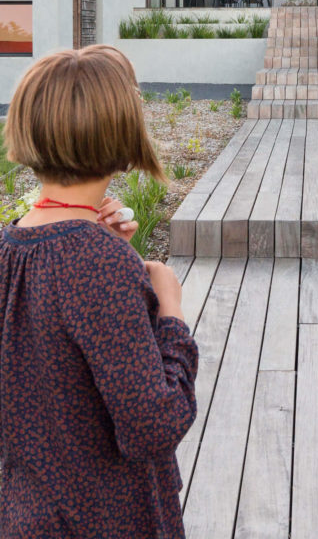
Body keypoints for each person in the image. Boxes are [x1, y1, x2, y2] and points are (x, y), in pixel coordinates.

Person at [0, 45, 198, 539]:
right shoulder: (96, 263)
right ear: (123, 132)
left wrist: (115, 253)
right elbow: (152, 426)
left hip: (26, 512)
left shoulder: (11, 246)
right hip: (106, 518)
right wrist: (170, 314)